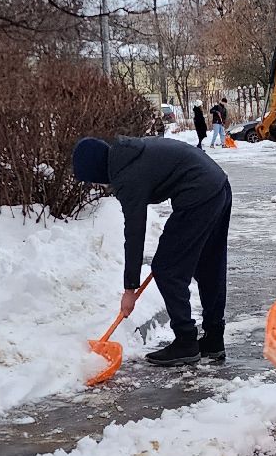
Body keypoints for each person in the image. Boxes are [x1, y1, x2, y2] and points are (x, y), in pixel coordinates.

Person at [72, 135, 231, 366]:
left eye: (93, 181)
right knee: (209, 264)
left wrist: (130, 288)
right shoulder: (127, 155)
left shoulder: (126, 176)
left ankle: (186, 341)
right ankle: (214, 338)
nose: (100, 186)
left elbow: (134, 232)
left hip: (200, 192)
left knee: (167, 269)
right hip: (218, 184)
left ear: (96, 170)